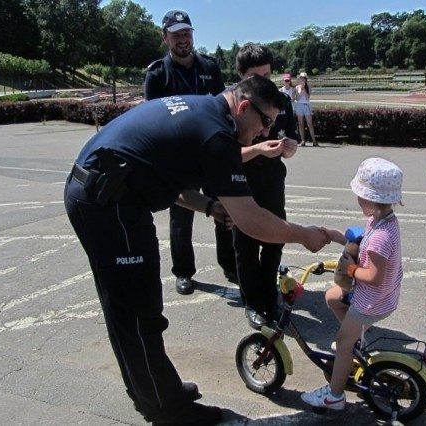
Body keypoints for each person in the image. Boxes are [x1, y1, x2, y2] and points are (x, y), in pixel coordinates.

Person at [64, 75, 331, 425]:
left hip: (109, 193)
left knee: (132, 309)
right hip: (108, 202)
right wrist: (304, 235)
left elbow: (166, 175)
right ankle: (168, 411)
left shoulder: (205, 109)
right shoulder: (217, 135)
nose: (266, 133)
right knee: (137, 312)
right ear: (244, 106)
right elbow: (251, 220)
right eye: (265, 121)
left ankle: (154, 391)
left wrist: (208, 206)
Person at [144, 9, 237, 296]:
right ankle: (183, 272)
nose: (183, 39)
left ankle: (230, 264)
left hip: (211, 152)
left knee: (225, 210)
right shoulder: (158, 74)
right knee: (182, 218)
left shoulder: (209, 67)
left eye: (186, 33)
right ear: (165, 37)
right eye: (176, 35)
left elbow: (224, 109)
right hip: (180, 157)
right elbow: (153, 120)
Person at [301, 157, 404, 411]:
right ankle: (355, 341)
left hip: (372, 300)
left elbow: (374, 276)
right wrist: (335, 236)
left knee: (342, 342)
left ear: (370, 199)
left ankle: (334, 396)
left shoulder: (381, 236)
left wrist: (349, 268)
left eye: (360, 195)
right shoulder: (382, 220)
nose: (358, 199)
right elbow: (359, 243)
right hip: (377, 296)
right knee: (332, 298)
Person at [233, 43, 299, 329]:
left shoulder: (280, 101)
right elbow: (226, 155)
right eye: (256, 75)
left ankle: (270, 294)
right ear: (241, 76)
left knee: (275, 237)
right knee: (245, 243)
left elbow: (293, 143)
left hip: (272, 179)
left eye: (268, 74)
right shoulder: (233, 104)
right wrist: (259, 148)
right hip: (241, 181)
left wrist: (288, 148)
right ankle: (253, 301)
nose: (264, 81)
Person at [293, 72, 318, 147]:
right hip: (299, 106)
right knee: (301, 124)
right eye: (301, 79)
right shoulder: (297, 87)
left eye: (303, 79)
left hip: (306, 105)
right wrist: (300, 90)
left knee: (309, 124)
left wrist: (304, 89)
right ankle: (303, 140)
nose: (302, 80)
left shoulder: (309, 87)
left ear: (306, 80)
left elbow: (307, 97)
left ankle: (314, 140)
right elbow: (297, 98)